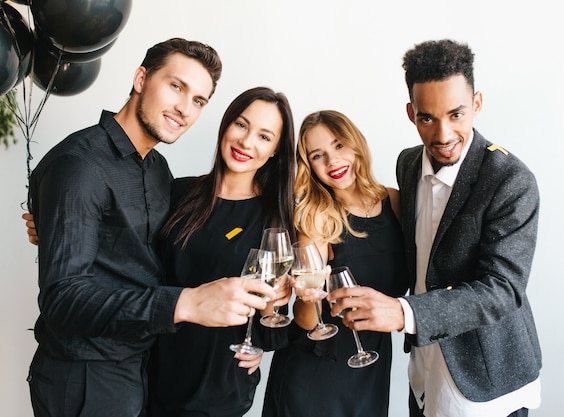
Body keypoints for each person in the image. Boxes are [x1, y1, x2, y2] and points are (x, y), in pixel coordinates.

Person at [25, 38, 277, 417]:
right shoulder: (79, 165)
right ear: (141, 78)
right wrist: (185, 302)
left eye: (198, 100)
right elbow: (62, 299)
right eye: (176, 86)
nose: (184, 109)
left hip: (143, 369)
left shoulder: (158, 171)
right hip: (86, 374)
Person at [328, 39, 542, 417]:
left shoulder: (511, 180)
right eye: (427, 118)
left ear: (476, 104)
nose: (443, 134)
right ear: (411, 113)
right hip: (424, 372)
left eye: (456, 114)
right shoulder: (408, 164)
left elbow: (503, 290)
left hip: (487, 381)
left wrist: (403, 313)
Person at [148, 86, 296, 417]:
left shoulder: (277, 218)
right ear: (226, 125)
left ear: (274, 151)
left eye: (264, 136)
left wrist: (261, 336)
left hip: (219, 385)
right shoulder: (177, 191)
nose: (246, 142)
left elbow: (273, 318)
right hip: (150, 369)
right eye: (241, 125)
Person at [262, 110, 409, 417]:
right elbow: (307, 320)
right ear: (310, 166)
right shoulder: (316, 217)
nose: (332, 162)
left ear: (355, 145)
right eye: (318, 155)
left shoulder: (395, 202)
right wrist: (307, 297)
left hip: (371, 364)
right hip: (318, 371)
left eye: (339, 145)